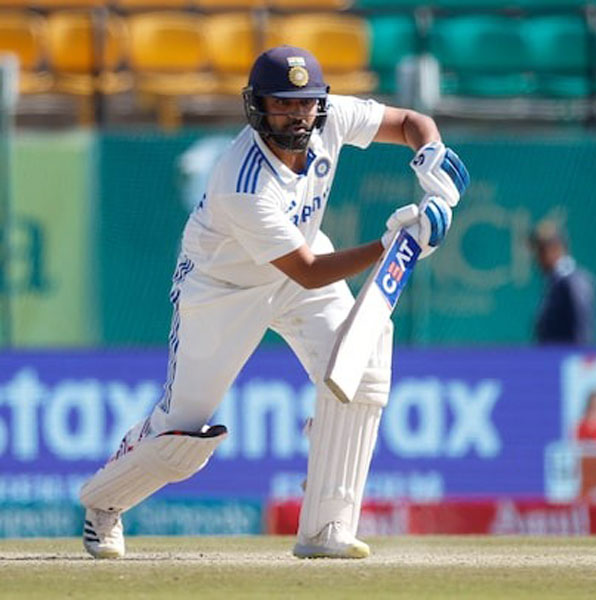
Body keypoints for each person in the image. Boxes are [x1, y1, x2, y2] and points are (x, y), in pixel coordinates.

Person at [78, 46, 469, 560]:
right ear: (258, 106)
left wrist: (431, 158)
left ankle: (326, 528)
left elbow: (412, 121)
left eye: (305, 103)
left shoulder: (331, 118)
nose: (297, 114)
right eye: (282, 104)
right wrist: (392, 244)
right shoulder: (243, 182)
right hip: (223, 290)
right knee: (180, 438)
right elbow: (306, 271)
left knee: (362, 367)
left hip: (298, 260)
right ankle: (103, 504)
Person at [529, 219, 596, 345]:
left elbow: (582, 326)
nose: (536, 259)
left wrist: (579, 358)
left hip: (567, 360)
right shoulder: (555, 282)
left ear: (554, 248)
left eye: (540, 251)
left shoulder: (573, 281)